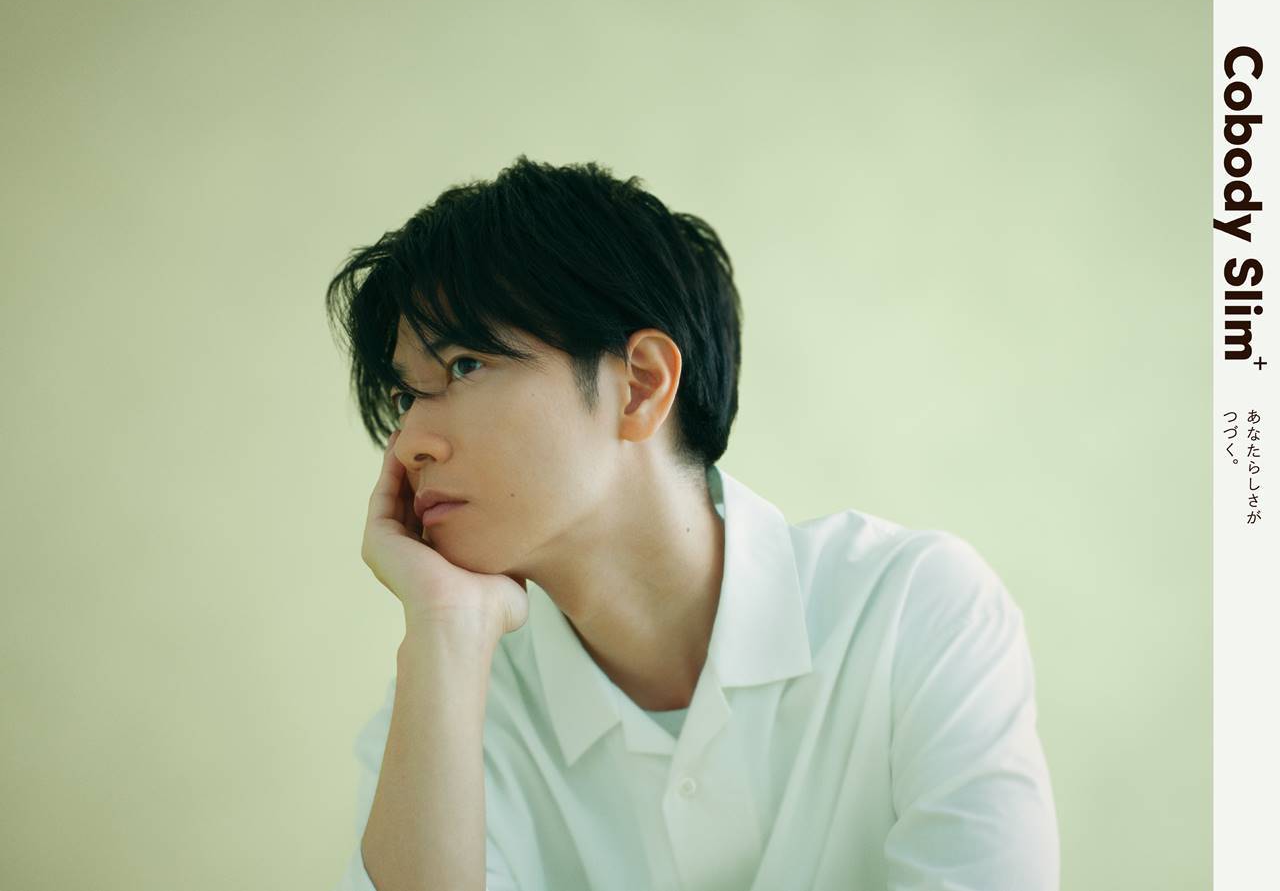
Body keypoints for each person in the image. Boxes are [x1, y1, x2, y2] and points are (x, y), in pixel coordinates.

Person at [324, 156, 1060, 891]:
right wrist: (446, 623)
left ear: (641, 385)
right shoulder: (448, 705)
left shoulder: (913, 612)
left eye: (463, 366)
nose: (410, 443)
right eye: (403, 397)